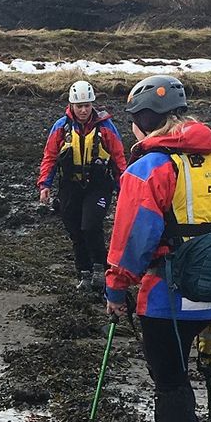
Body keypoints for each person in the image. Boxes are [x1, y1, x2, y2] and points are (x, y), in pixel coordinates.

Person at [104, 75, 211, 422]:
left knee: (170, 380)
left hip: (168, 296)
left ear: (144, 120)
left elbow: (133, 239)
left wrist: (115, 287)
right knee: (181, 376)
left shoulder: (147, 169)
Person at [38, 80, 127, 291]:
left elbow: (118, 159)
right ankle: (84, 274)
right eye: (80, 106)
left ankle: (99, 268)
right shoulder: (61, 127)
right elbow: (50, 157)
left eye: (87, 105)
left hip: (98, 185)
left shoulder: (106, 127)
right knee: (76, 231)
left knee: (90, 225)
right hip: (70, 186)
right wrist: (45, 184)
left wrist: (124, 188)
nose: (84, 110)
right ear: (72, 105)